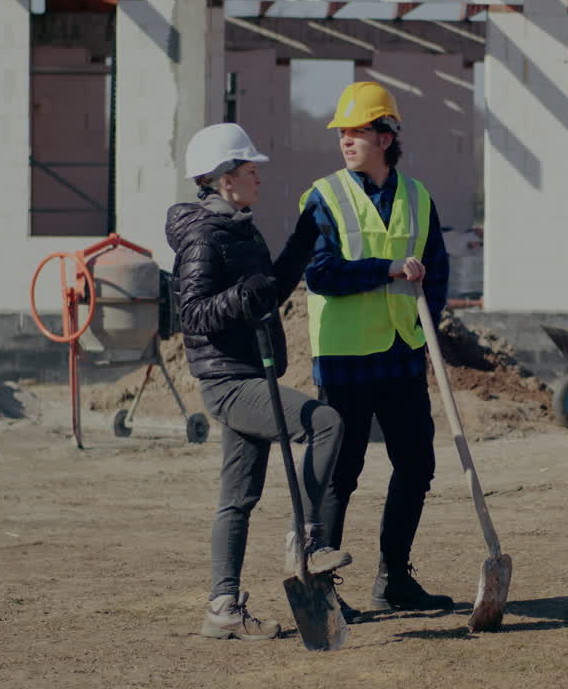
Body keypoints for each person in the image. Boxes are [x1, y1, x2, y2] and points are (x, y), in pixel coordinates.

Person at [166, 123, 352, 641]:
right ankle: (306, 540)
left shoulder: (240, 229)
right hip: (229, 381)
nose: (258, 177)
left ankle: (222, 608)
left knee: (238, 497)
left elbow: (267, 290)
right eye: (250, 169)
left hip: (249, 373)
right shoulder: (203, 237)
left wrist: (305, 234)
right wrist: (241, 298)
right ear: (224, 178)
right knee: (326, 423)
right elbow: (193, 314)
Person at [289, 81, 453, 622]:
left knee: (418, 464)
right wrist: (386, 270)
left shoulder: (419, 197)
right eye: (342, 132)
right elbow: (320, 273)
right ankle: (321, 588)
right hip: (344, 357)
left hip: (402, 351)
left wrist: (428, 321)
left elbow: (437, 270)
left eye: (357, 131)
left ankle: (395, 579)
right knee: (341, 474)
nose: (346, 140)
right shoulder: (322, 197)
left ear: (386, 136)